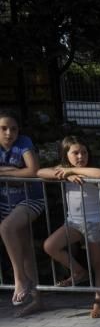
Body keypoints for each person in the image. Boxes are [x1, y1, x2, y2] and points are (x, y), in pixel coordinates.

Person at [38, 136, 100, 318]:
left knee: (98, 263)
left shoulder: (89, 171)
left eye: (84, 152)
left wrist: (75, 172)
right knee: (50, 245)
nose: (80, 156)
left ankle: (99, 301)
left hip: (95, 222)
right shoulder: (64, 171)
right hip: (73, 222)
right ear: (65, 155)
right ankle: (78, 271)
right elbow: (40, 172)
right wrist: (67, 173)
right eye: (75, 153)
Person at [0, 110, 43, 316]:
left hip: (29, 199)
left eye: (13, 129)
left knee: (7, 228)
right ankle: (36, 298)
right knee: (24, 247)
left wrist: (4, 171)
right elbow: (23, 171)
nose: (9, 133)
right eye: (4, 129)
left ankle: (20, 279)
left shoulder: (24, 141)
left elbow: (33, 170)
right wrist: (14, 172)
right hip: (6, 202)